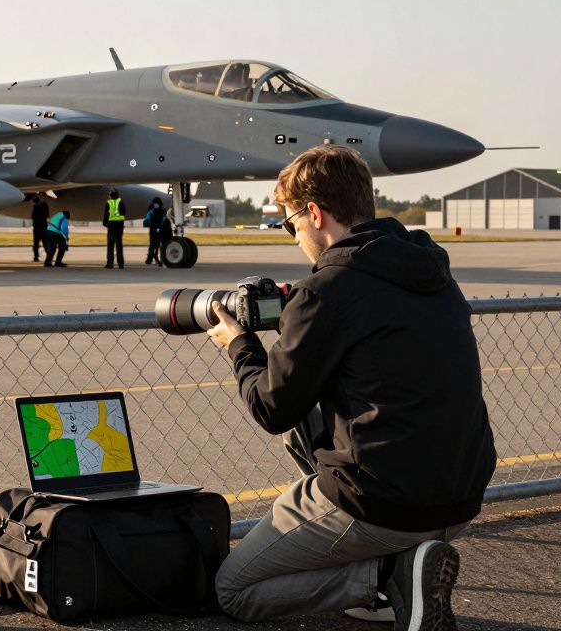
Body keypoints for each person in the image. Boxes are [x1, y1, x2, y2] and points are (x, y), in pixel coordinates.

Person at [205, 146, 496, 630]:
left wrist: (239, 345)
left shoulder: (328, 289)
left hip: (384, 504)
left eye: (290, 224)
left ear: (314, 213)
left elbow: (272, 407)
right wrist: (301, 323)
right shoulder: (433, 272)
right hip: (461, 498)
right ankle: (406, 573)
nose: (294, 238)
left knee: (234, 590)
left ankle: (388, 575)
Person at [103, 188, 126, 269]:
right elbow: (123, 213)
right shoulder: (121, 202)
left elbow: (106, 216)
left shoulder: (108, 203)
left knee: (110, 245)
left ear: (110, 195)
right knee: (119, 245)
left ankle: (110, 263)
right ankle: (121, 263)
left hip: (111, 226)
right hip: (119, 225)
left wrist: (106, 224)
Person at [143, 198, 167, 266]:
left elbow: (147, 219)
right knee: (158, 245)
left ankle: (149, 259)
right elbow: (164, 220)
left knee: (152, 244)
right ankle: (157, 258)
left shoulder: (151, 210)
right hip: (159, 229)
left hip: (152, 229)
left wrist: (148, 225)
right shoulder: (162, 211)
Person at [30, 194, 51, 262]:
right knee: (45, 242)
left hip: (37, 228)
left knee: (36, 243)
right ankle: (49, 256)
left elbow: (32, 216)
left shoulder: (36, 207)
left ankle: (36, 257)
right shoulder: (45, 206)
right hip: (43, 227)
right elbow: (47, 215)